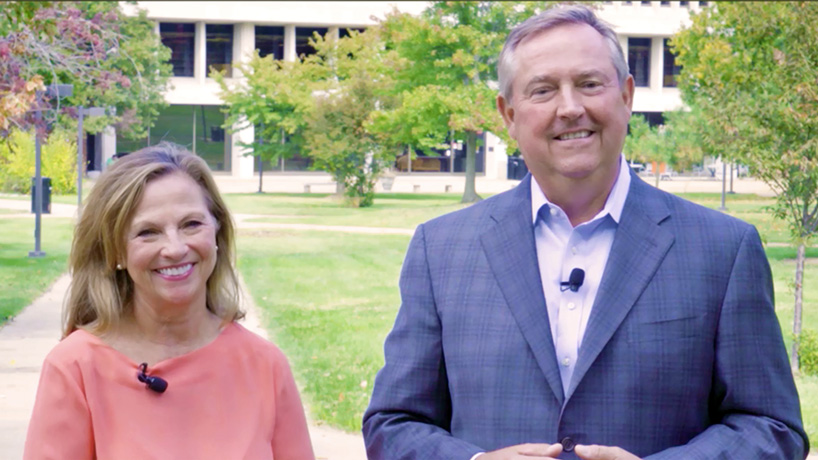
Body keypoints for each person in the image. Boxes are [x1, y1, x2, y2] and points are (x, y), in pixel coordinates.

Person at [363, 5, 808, 460]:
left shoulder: (723, 250)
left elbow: (770, 427)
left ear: (626, 95)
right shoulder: (441, 250)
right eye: (543, 90)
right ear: (508, 114)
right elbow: (392, 425)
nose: (571, 107)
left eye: (590, 84)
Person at [24, 143, 315, 460]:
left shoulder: (265, 366)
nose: (175, 248)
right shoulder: (75, 368)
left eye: (191, 224)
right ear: (116, 252)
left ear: (217, 232)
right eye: (148, 232)